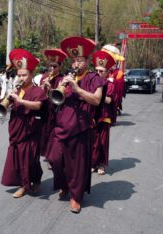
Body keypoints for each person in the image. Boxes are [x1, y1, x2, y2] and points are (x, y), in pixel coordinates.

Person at [47, 36, 105, 213]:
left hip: (81, 128)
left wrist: (77, 88)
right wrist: (51, 90)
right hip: (61, 127)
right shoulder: (64, 79)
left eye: (80, 60)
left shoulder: (94, 78)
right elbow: (55, 102)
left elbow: (96, 100)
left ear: (87, 61)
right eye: (74, 60)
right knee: (54, 159)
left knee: (77, 165)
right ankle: (64, 184)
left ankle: (76, 197)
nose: (76, 64)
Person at [1, 48, 47, 199]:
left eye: (24, 75)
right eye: (19, 75)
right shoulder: (16, 90)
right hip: (16, 129)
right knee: (19, 158)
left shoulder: (38, 90)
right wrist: (8, 99)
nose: (21, 78)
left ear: (31, 75)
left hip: (31, 130)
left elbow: (39, 106)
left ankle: (27, 184)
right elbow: (8, 107)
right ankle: (25, 183)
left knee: (29, 159)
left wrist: (21, 100)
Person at [91, 50, 116, 175]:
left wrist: (95, 96)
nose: (98, 73)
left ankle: (101, 164)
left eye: (101, 71)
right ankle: (93, 163)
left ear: (107, 72)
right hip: (92, 115)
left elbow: (109, 100)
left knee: (102, 142)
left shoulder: (110, 84)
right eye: (97, 70)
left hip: (104, 116)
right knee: (93, 141)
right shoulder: (92, 81)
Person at [39, 48, 67, 159]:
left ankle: (52, 155)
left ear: (59, 67)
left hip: (57, 110)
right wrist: (42, 88)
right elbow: (40, 95)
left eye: (54, 66)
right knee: (44, 131)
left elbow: (61, 97)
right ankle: (47, 153)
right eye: (50, 66)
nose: (51, 68)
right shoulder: (44, 78)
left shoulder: (62, 79)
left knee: (53, 133)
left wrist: (50, 89)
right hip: (45, 109)